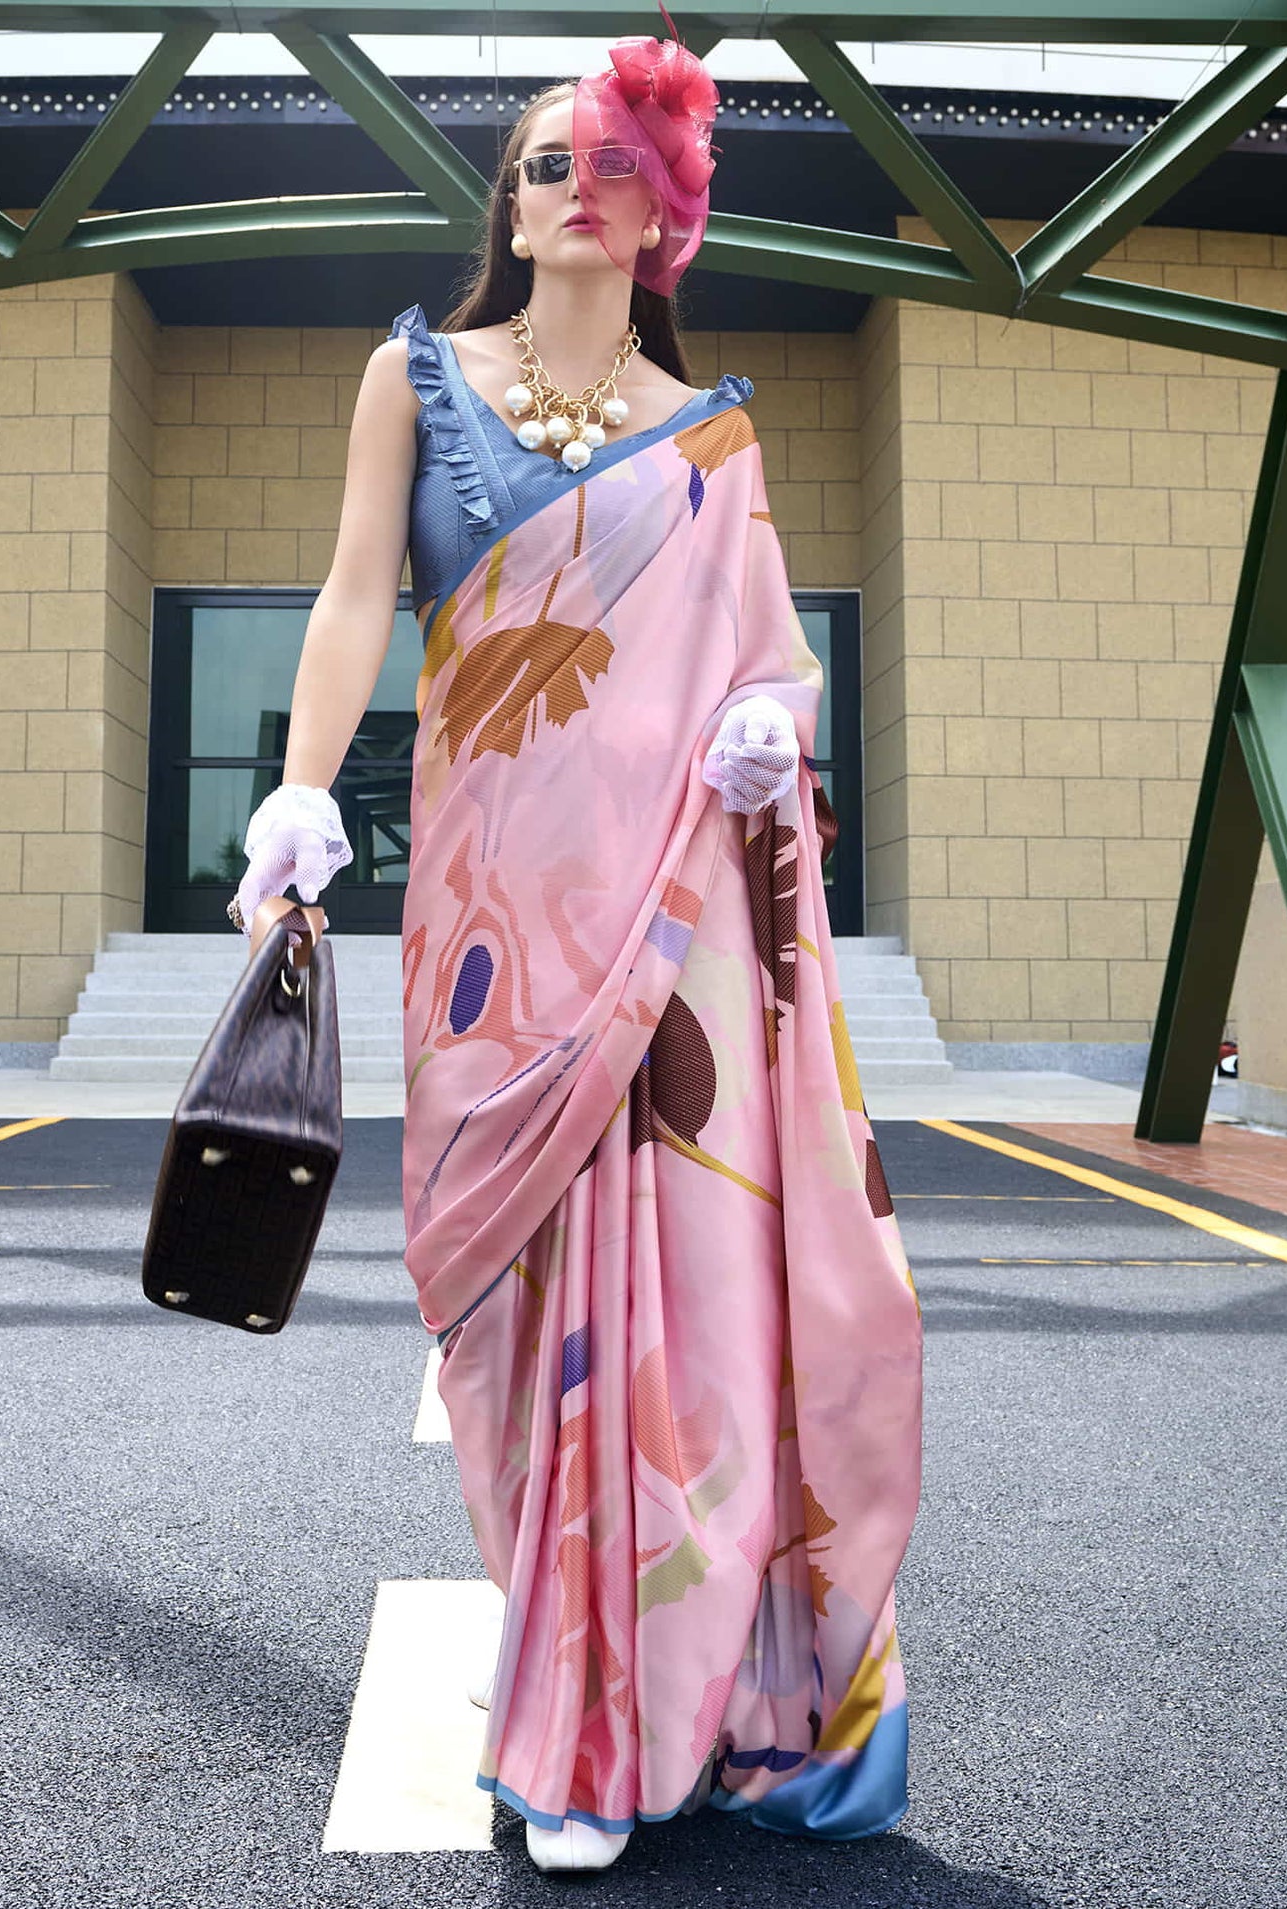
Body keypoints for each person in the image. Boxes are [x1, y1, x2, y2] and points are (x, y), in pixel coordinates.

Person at [230, 18, 923, 1878]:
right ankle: (589, 1662)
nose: (574, 188)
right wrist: (298, 796)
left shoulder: (712, 437)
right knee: (520, 1315)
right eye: (545, 162)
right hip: (489, 927)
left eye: (613, 162)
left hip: (677, 922)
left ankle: (610, 1720)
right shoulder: (416, 380)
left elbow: (773, 656)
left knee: (687, 1300)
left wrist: (778, 724)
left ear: (665, 212)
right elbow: (359, 592)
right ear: (513, 209)